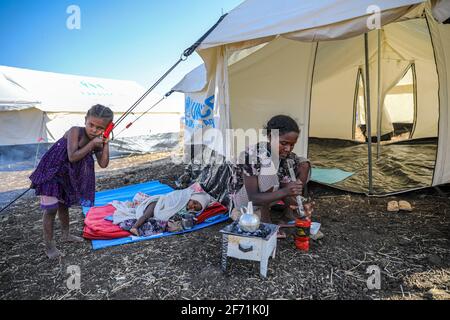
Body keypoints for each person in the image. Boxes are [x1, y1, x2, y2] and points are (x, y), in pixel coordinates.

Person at [29, 104, 113, 259]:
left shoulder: (97, 140)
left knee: (64, 204)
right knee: (51, 209)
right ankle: (49, 247)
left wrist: (105, 143)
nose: (94, 130)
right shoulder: (76, 131)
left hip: (68, 174)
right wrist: (92, 144)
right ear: (85, 120)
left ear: (107, 128)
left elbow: (103, 163)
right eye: (91, 125)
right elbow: (72, 156)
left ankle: (66, 235)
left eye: (100, 128)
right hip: (52, 171)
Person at [231, 115, 313, 238]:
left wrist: (300, 203)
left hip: (268, 196)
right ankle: (265, 222)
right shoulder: (251, 155)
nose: (288, 149)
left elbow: (286, 187)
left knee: (303, 163)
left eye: (292, 144)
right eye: (284, 143)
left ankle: (288, 214)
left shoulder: (286, 157)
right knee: (268, 168)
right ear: (270, 137)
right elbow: (253, 197)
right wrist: (286, 190)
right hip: (246, 201)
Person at [127, 190, 211, 236]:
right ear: (191, 198)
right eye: (194, 203)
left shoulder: (189, 213)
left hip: (162, 213)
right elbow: (169, 197)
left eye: (195, 208)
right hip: (158, 203)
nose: (193, 206)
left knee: (153, 221)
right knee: (146, 215)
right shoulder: (182, 195)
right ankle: (134, 227)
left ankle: (142, 227)